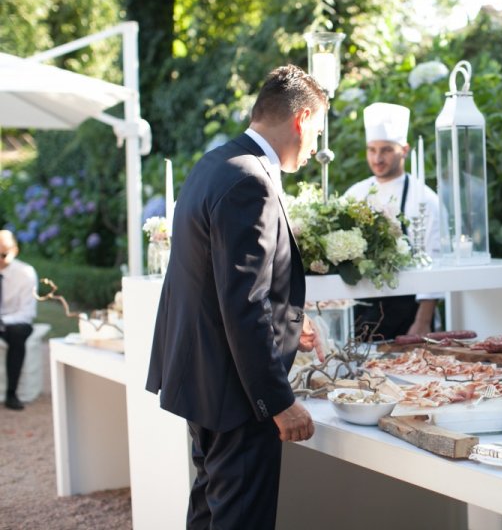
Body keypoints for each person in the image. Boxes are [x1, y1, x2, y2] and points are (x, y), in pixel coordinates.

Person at [146, 64, 328, 529]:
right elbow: (242, 303)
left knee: (211, 513)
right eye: (318, 133)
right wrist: (278, 401)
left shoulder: (216, 163)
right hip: (236, 395)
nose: (315, 149)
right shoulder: (251, 180)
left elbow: (216, 278)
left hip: (203, 379)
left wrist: (291, 317)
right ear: (302, 119)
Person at [343, 102, 441, 339]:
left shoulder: (424, 198)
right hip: (361, 313)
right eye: (371, 150)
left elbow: (434, 263)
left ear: (404, 150)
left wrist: (422, 322)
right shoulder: (355, 193)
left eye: (386, 150)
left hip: (409, 316)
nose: (377, 158)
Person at [0, 230, 38, 411]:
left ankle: (11, 393)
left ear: (14, 251)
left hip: (15, 323)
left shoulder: (25, 273)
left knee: (18, 335)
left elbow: (27, 313)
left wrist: (2, 320)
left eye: (3, 254)